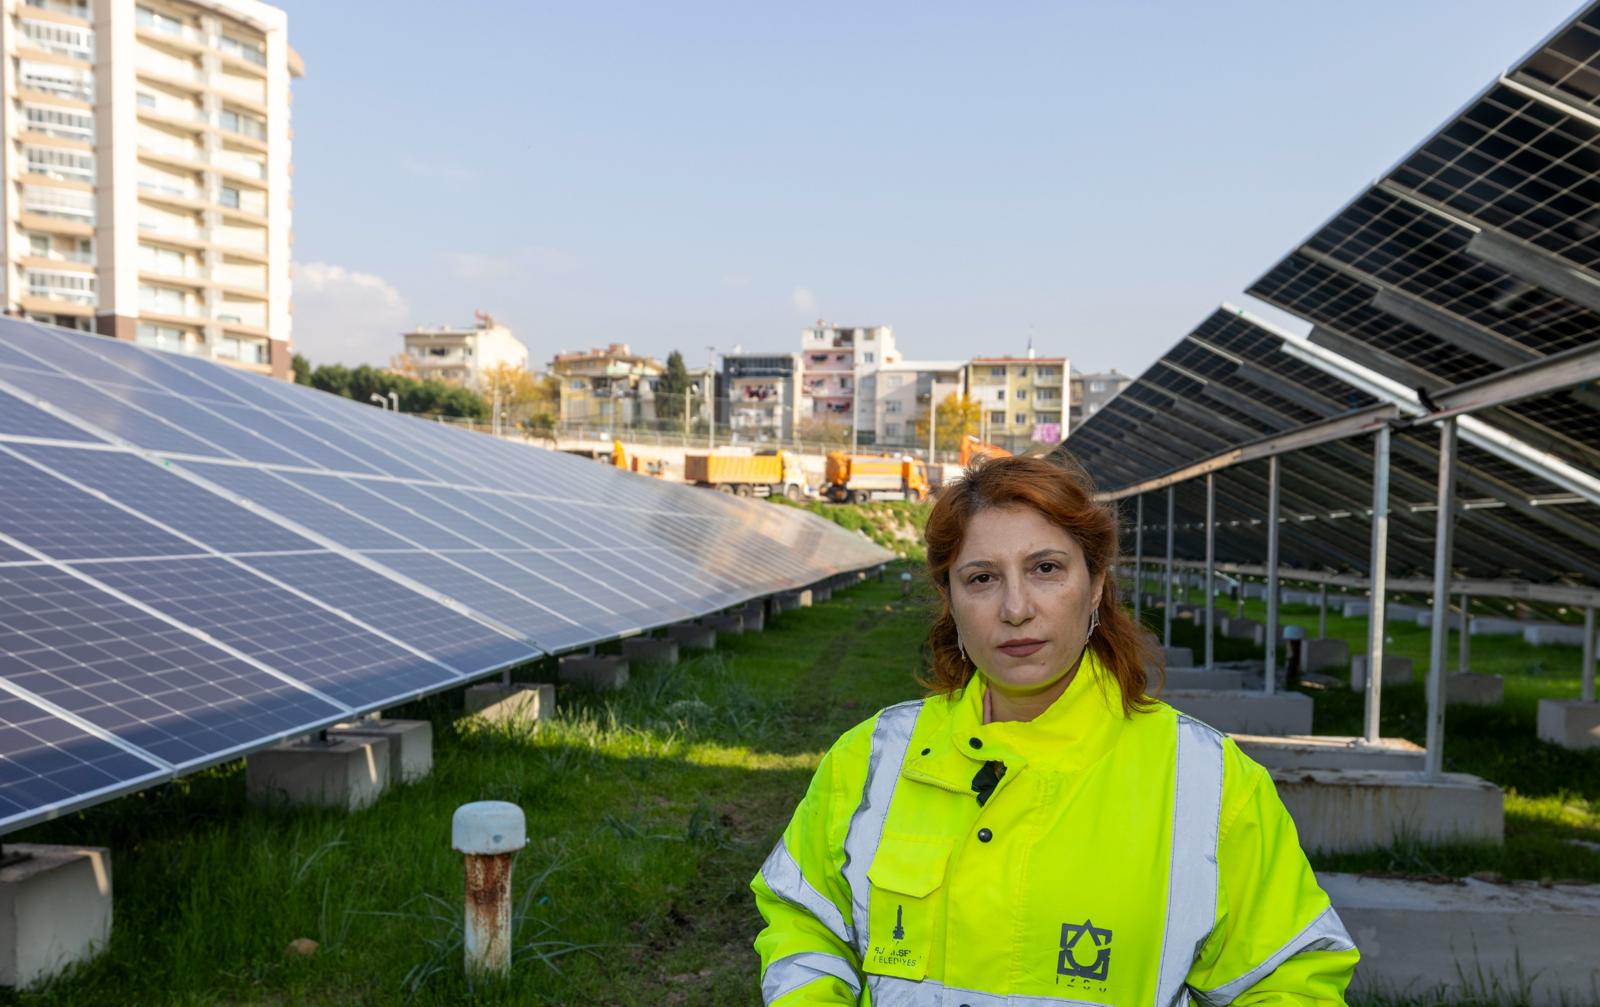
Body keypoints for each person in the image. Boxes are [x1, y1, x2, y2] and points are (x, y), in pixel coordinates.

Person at [751, 454, 1357, 1006]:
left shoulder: (1210, 783)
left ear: (1095, 585)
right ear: (950, 599)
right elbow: (804, 923)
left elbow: (1288, 981)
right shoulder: (871, 760)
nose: (1016, 608)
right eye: (982, 578)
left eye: (1045, 569)